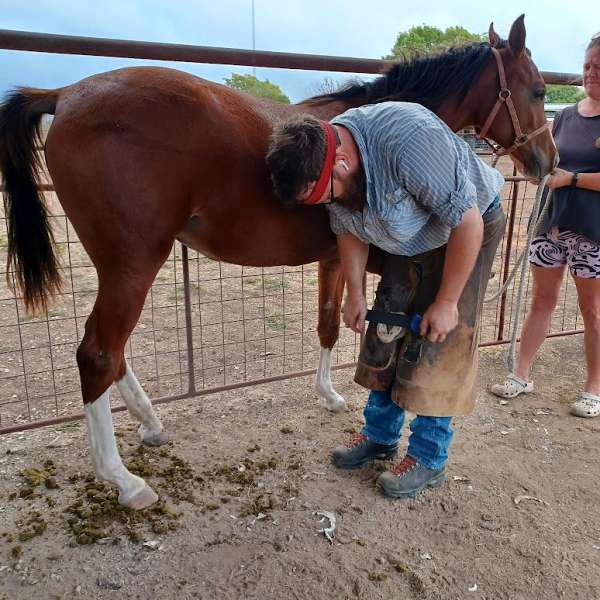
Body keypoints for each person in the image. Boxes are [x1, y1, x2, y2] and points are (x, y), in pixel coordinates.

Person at [266, 100, 505, 499]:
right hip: (408, 235)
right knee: (385, 330)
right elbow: (347, 227)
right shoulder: (329, 158)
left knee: (439, 344)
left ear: (341, 162)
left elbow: (467, 221)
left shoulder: (411, 140)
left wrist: (446, 303)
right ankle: (379, 436)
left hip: (467, 229)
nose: (327, 204)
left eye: (326, 195)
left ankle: (428, 457)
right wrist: (355, 294)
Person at [490, 35, 600, 418]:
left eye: (599, 66)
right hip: (551, 222)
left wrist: (570, 179)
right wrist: (528, 164)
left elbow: (569, 174)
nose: (591, 73)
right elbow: (545, 161)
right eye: (588, 65)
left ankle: (593, 388)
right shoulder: (567, 116)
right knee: (541, 302)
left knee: (593, 310)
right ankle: (521, 375)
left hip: (593, 230)